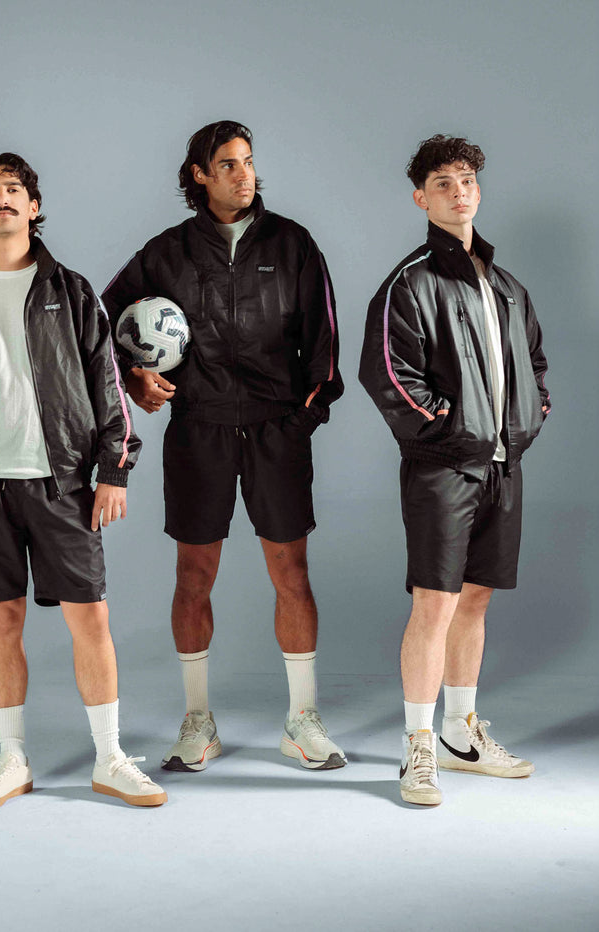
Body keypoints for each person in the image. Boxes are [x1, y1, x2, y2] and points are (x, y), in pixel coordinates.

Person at [0, 152, 165, 810]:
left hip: (65, 483)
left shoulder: (72, 293)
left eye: (13, 189)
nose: (1, 199)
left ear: (34, 207)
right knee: (2, 621)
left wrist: (115, 470)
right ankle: (11, 760)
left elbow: (108, 385)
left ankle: (109, 758)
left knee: (91, 619)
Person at [102, 121, 346, 772]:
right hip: (199, 426)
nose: (244, 174)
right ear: (198, 176)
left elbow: (324, 344)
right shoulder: (167, 252)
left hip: (274, 427)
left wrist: (302, 420)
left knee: (290, 575)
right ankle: (196, 722)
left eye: (249, 162)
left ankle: (301, 720)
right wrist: (134, 378)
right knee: (193, 576)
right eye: (228, 164)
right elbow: (97, 320)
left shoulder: (292, 244)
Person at [358, 134, 551, 806]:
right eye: (441, 181)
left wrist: (529, 417)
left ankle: (461, 736)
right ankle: (416, 747)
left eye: (465, 178)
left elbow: (534, 364)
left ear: (478, 190)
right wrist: (449, 427)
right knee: (433, 604)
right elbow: (385, 373)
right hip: (443, 467)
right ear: (421, 198)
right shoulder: (409, 282)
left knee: (475, 600)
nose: (457, 190)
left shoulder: (504, 285)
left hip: (502, 465)